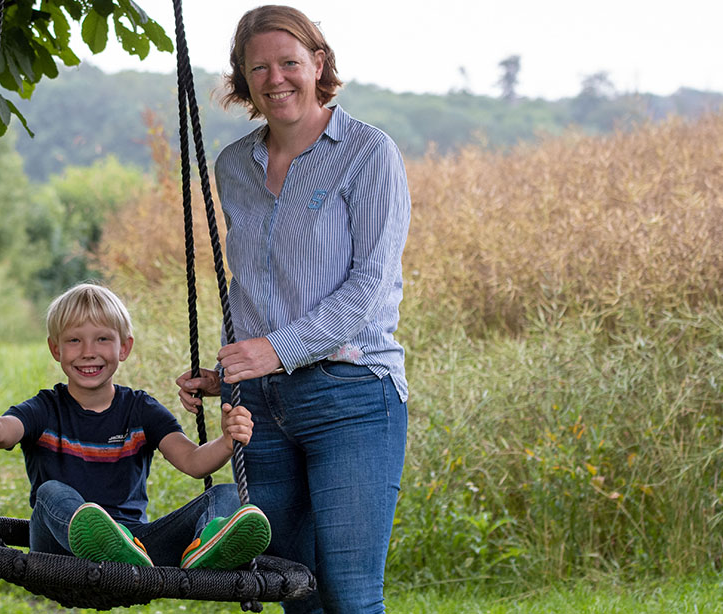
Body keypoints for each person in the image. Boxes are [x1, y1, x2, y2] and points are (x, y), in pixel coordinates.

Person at [175, 5, 410, 613]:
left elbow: (370, 288)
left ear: (319, 64)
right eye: (259, 68)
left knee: (350, 596)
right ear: (244, 78)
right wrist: (231, 371)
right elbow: (250, 285)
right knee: (293, 592)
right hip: (257, 408)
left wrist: (274, 351)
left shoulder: (368, 153)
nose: (275, 78)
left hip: (351, 395)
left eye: (290, 63)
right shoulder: (233, 167)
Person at [0, 281, 270, 570]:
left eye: (103, 339)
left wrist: (228, 440)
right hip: (58, 555)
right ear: (56, 349)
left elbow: (194, 462)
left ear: (124, 348)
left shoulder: (141, 410)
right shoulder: (45, 409)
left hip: (136, 549)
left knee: (227, 495)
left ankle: (205, 550)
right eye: (74, 340)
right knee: (51, 492)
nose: (89, 352)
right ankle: (98, 538)